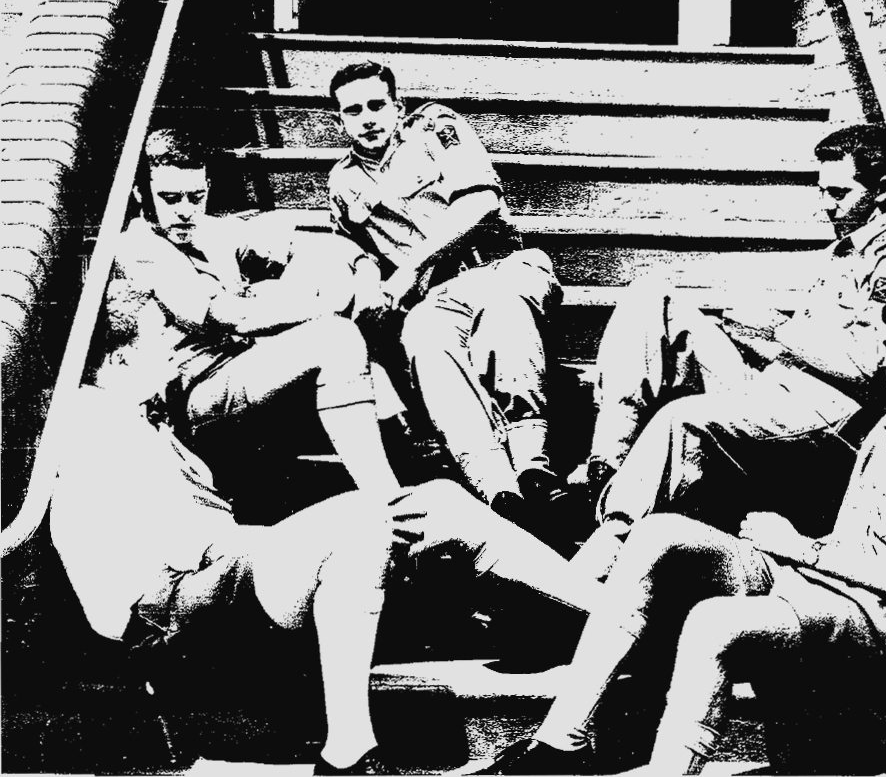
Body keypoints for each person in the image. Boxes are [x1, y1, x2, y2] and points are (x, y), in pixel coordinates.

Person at [50, 279, 608, 776]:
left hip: (213, 587)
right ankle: (348, 754)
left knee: (437, 500)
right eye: (159, 339)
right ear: (120, 361)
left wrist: (302, 540)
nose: (173, 350)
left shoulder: (128, 416)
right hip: (166, 621)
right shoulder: (91, 423)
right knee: (363, 519)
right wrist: (303, 540)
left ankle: (613, 615)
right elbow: (185, 546)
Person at [478, 288, 886, 774]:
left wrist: (801, 548)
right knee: (657, 533)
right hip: (818, 582)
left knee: (712, 621)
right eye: (885, 347)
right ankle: (560, 742)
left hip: (873, 621)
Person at [570, 124, 886, 572]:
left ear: (881, 191)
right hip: (780, 384)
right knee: (653, 298)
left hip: (824, 416)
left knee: (680, 418)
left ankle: (610, 541)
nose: (826, 205)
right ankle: (607, 464)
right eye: (822, 191)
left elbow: (873, 365)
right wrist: (757, 339)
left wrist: (778, 329)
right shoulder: (848, 247)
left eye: (839, 193)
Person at [326, 60, 573, 536]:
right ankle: (495, 486)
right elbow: (349, 250)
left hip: (500, 265)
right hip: (436, 296)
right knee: (424, 339)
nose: (368, 118)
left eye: (377, 105)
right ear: (340, 120)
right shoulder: (343, 182)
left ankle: (533, 466)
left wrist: (410, 268)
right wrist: (366, 275)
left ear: (398, 107)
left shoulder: (435, 128)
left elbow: (481, 201)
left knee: (503, 314)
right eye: (353, 111)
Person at [114, 127, 402, 492]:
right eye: (170, 199)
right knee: (337, 337)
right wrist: (325, 309)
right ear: (140, 194)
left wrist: (364, 270)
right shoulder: (137, 247)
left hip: (246, 373)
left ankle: (402, 466)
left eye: (196, 196)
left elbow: (317, 246)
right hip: (196, 397)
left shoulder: (210, 230)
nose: (186, 211)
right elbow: (229, 316)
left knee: (329, 282)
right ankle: (387, 496)